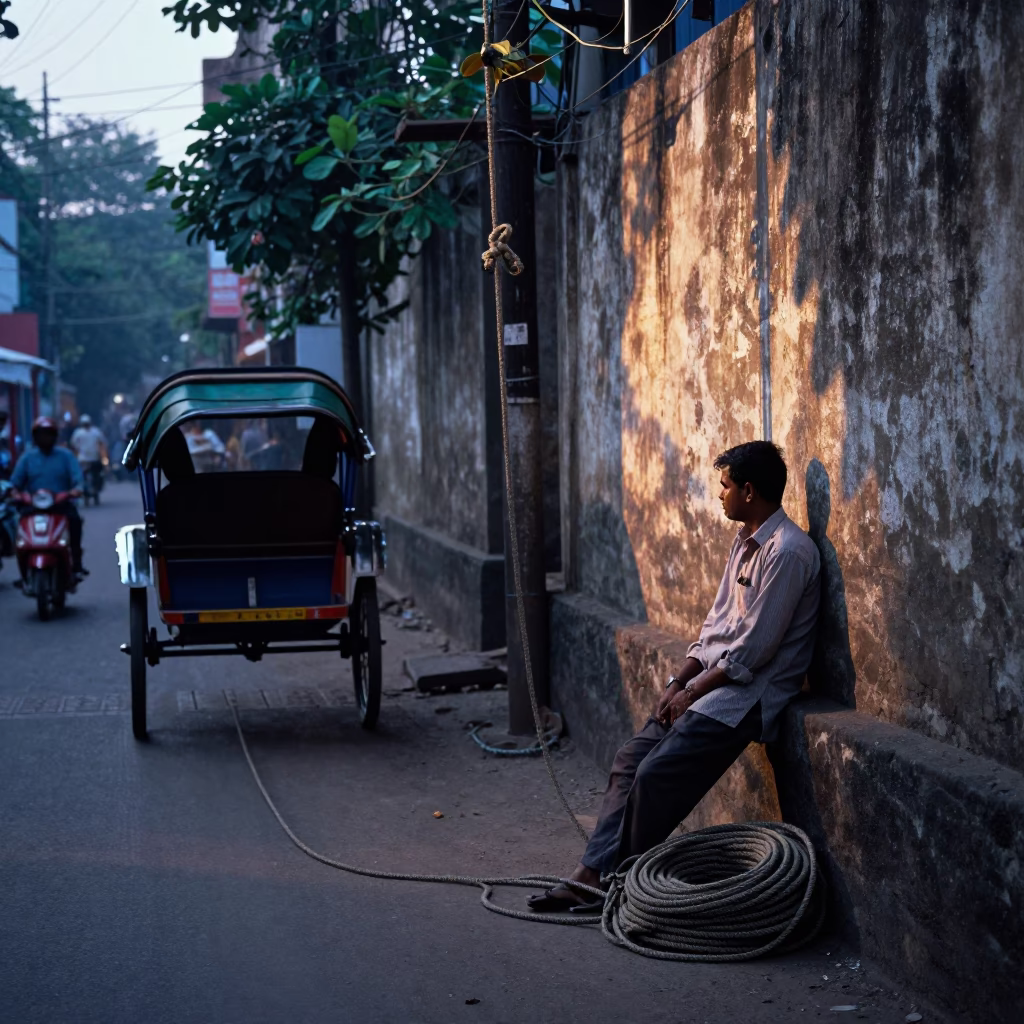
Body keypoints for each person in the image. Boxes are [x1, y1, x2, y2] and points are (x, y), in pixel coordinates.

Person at [529, 441, 821, 913]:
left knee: (655, 774)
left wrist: (692, 691)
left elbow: (753, 650)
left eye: (725, 486)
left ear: (749, 490)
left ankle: (614, 879)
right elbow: (715, 626)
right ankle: (589, 874)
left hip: (745, 697)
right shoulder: (745, 542)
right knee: (629, 760)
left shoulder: (788, 552)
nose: (719, 495)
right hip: (706, 687)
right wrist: (675, 683)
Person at [10, 416, 87, 576]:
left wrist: (75, 491)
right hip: (33, 506)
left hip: (61, 505)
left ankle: (77, 564)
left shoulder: (66, 456)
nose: (45, 438)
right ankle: (23, 569)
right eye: (41, 434)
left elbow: (78, 479)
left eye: (48, 434)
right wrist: (15, 493)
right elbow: (15, 483)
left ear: (55, 436)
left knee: (75, 523)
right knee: (18, 530)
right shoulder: (27, 458)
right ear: (35, 437)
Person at [70, 414, 108, 496]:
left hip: (89, 459)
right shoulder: (93, 432)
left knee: (97, 474)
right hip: (86, 459)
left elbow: (102, 444)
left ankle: (94, 488)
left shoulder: (82, 433)